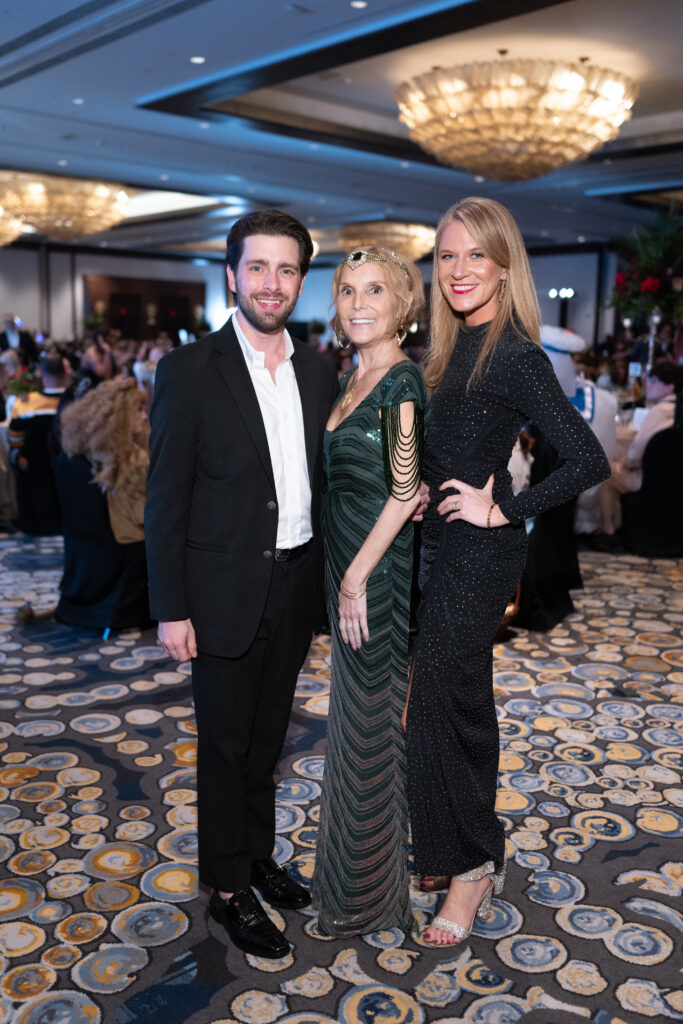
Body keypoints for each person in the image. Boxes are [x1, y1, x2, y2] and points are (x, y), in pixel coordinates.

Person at [406, 197, 610, 947]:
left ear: (503, 266)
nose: (459, 270)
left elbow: (588, 458)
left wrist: (506, 510)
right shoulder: (445, 349)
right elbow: (446, 447)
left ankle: (472, 866)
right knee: (444, 703)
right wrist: (423, 488)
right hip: (435, 545)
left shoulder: (516, 354)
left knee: (444, 704)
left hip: (478, 556)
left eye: (475, 256)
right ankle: (449, 848)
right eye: (447, 256)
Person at [145, 210, 339, 960]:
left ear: (301, 280)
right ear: (231, 275)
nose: (271, 283)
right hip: (219, 590)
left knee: (268, 740)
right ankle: (227, 891)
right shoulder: (189, 369)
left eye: (286, 269)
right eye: (257, 267)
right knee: (225, 747)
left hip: (295, 583)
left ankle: (255, 857)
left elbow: (324, 480)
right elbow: (166, 498)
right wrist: (171, 608)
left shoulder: (318, 369)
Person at [311, 247, 428, 936]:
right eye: (348, 290)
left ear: (402, 304)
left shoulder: (400, 382)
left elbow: (405, 489)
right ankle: (351, 879)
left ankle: (365, 892)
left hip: (372, 574)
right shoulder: (353, 376)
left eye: (375, 290)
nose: (358, 303)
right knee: (352, 716)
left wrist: (356, 577)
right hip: (345, 564)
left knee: (369, 724)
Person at [53, 377, 150, 630]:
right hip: (113, 555)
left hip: (94, 554)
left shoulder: (85, 455)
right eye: (138, 410)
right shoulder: (102, 462)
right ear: (119, 418)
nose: (144, 416)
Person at [599, 359, 683, 536]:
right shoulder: (678, 409)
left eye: (654, 381)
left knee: (607, 473)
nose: (648, 385)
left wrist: (626, 463)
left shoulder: (660, 411)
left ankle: (608, 530)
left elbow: (635, 456)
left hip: (652, 480)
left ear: (670, 387)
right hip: (674, 478)